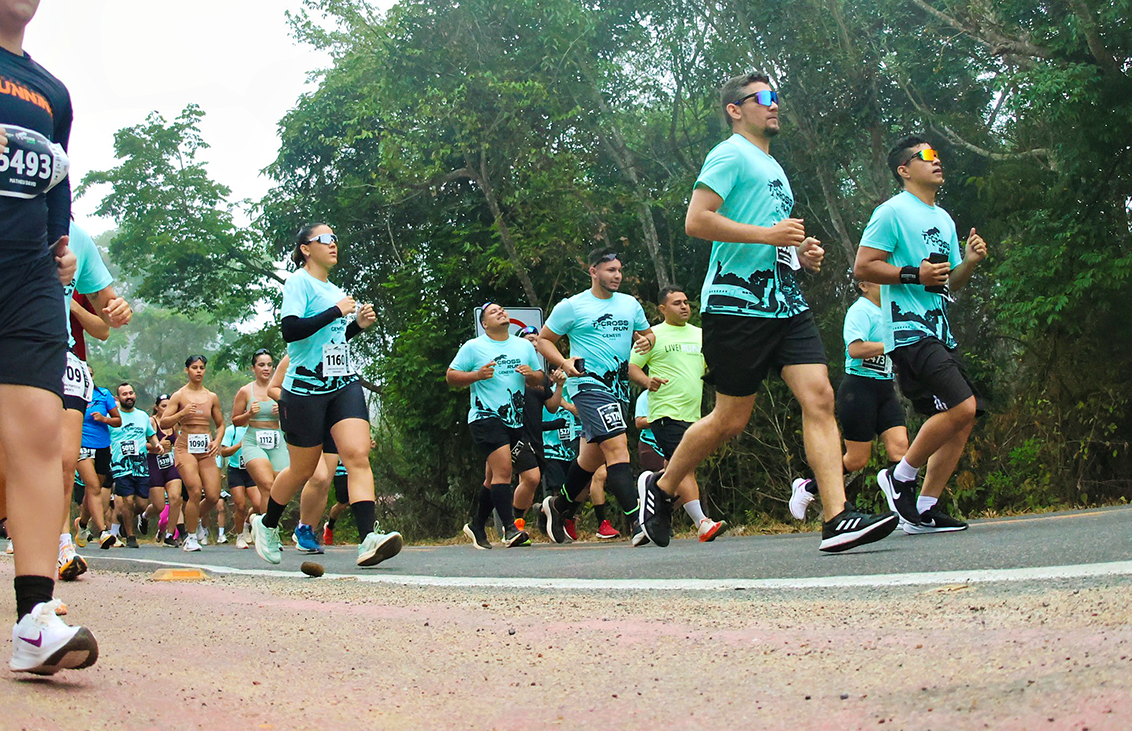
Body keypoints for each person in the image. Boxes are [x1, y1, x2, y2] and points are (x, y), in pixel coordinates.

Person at [637, 73, 897, 553]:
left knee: (819, 397)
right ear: (736, 109)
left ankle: (836, 518)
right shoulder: (729, 154)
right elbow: (698, 220)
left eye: (778, 97)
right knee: (729, 420)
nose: (775, 105)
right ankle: (662, 486)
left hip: (786, 303)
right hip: (737, 306)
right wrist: (769, 236)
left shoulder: (773, 166)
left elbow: (772, 236)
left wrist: (799, 254)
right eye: (765, 98)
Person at [0, 0, 103, 675]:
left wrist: (61, 250)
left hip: (27, 276)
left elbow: (57, 184)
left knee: (39, 424)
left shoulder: (51, 91)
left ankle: (35, 618)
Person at [853, 136, 987, 533]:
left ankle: (925, 507)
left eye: (937, 155)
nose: (936, 160)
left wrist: (971, 261)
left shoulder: (943, 218)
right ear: (904, 170)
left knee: (963, 418)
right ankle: (900, 476)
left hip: (939, 330)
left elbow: (949, 284)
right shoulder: (891, 212)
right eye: (926, 156)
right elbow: (863, 266)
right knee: (962, 407)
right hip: (909, 331)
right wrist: (913, 273)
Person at [250, 223, 402, 567]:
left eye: (336, 238)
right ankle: (268, 524)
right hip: (304, 389)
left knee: (357, 455)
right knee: (302, 472)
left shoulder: (336, 288)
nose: (334, 244)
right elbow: (291, 330)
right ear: (306, 248)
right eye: (326, 239)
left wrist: (356, 326)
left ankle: (368, 540)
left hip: (342, 383)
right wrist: (336, 311)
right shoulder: (298, 282)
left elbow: (333, 341)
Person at [536, 247, 655, 546]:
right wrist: (563, 363)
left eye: (619, 270)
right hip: (588, 386)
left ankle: (558, 506)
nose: (617, 275)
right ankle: (637, 522)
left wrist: (646, 342)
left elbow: (648, 334)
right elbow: (543, 340)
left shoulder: (630, 305)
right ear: (593, 271)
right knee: (617, 448)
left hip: (619, 388)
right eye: (610, 270)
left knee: (590, 459)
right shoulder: (572, 306)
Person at [789, 280, 910, 520]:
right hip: (859, 388)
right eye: (879, 281)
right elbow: (855, 349)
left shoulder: (890, 311)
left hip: (885, 388)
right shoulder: (860, 310)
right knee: (856, 460)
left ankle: (906, 510)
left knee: (900, 447)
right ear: (864, 285)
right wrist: (890, 345)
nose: (886, 286)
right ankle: (808, 487)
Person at [55, 221, 130, 577]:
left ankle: (62, 543)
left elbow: (105, 319)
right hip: (17, 350)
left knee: (66, 460)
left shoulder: (77, 240)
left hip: (67, 358)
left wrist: (116, 308)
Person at [629, 285, 725, 542]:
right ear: (662, 309)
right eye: (677, 303)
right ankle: (702, 523)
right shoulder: (652, 336)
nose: (684, 306)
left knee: (677, 468)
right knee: (685, 467)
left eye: (686, 302)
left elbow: (712, 367)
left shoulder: (701, 335)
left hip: (694, 414)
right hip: (665, 412)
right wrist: (647, 382)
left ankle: (647, 516)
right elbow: (633, 368)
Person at [447, 303, 542, 549]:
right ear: (484, 324)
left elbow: (540, 377)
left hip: (514, 421)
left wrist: (532, 375)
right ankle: (510, 529)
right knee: (504, 472)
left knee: (498, 477)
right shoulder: (474, 347)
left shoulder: (523, 346)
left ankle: (477, 526)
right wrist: (476, 375)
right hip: (485, 417)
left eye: (502, 310)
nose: (501, 312)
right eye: (493, 312)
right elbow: (451, 376)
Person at [160, 355, 225, 552]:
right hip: (185, 447)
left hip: (205, 449)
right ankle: (190, 537)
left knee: (213, 496)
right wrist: (182, 414)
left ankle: (192, 518)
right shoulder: (179, 396)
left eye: (202, 367)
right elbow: (164, 423)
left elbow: (221, 424)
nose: (198, 371)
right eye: (194, 367)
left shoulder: (211, 396)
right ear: (186, 370)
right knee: (195, 490)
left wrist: (217, 441)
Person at [231, 349, 287, 516]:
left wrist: (284, 411)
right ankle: (268, 533)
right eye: (261, 365)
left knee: (280, 489)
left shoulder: (282, 389)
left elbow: (297, 416)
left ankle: (259, 520)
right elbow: (235, 421)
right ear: (253, 368)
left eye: (269, 365)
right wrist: (249, 414)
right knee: (267, 486)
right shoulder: (246, 391)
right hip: (254, 441)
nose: (266, 368)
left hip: (278, 441)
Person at [107, 383, 159, 549]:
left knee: (142, 504)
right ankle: (130, 536)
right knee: (128, 500)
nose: (128, 396)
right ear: (119, 398)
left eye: (130, 393)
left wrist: (157, 445)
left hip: (141, 465)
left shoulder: (142, 416)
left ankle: (125, 518)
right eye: (124, 394)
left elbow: (151, 435)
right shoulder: (113, 418)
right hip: (121, 466)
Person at [76, 372, 120, 549]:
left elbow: (118, 421)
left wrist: (104, 419)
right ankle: (103, 532)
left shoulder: (103, 394)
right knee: (93, 487)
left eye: (91, 374)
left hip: (102, 448)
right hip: (81, 446)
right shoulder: (73, 395)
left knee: (92, 491)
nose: (88, 377)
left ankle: (82, 525)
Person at [147, 394, 183, 547]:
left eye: (170, 406)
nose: (167, 409)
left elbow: (179, 442)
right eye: (163, 406)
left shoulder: (173, 423)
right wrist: (157, 446)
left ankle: (170, 534)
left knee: (176, 497)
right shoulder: (151, 422)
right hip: (154, 463)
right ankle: (145, 515)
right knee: (159, 505)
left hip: (170, 465)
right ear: (156, 407)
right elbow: (141, 445)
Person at [217, 423, 248, 546]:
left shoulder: (257, 427)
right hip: (236, 470)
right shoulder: (232, 430)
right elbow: (223, 452)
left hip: (254, 468)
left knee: (259, 503)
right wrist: (239, 445)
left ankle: (248, 524)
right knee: (240, 506)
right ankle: (240, 536)